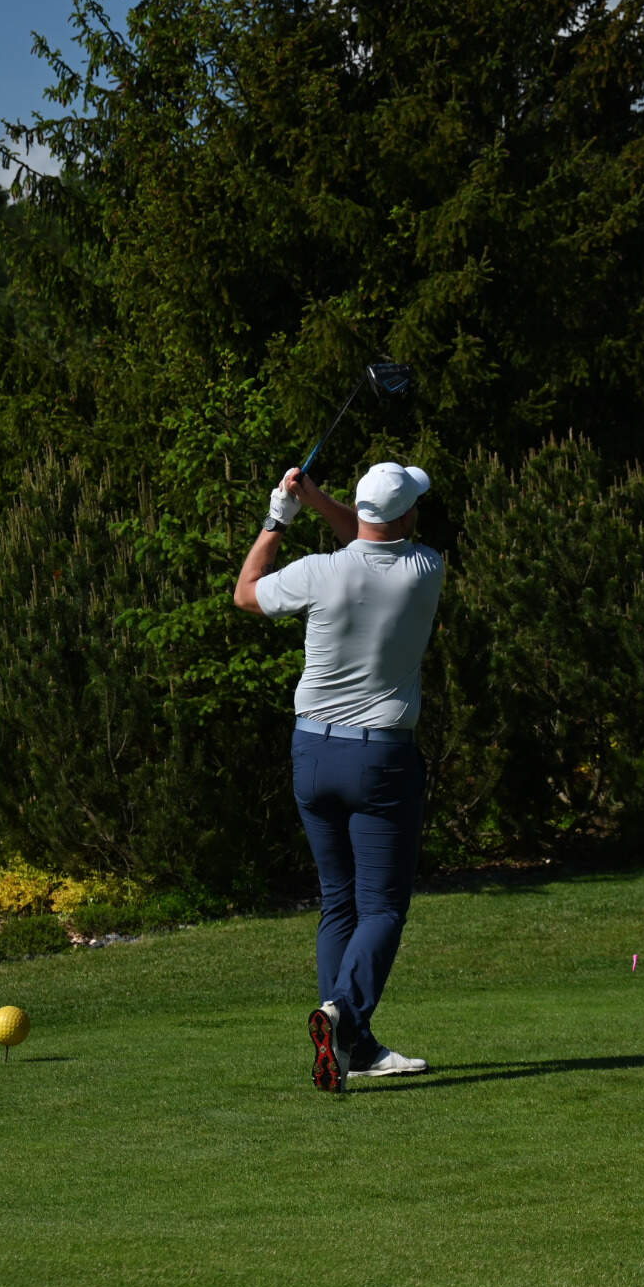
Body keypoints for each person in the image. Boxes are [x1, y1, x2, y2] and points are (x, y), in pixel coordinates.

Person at [232, 459, 445, 1091]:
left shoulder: (318, 571)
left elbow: (247, 592)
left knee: (339, 900)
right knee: (382, 907)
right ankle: (344, 1017)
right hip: (380, 760)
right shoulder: (424, 567)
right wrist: (316, 500)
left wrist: (281, 515)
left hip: (312, 752)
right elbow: (370, 535)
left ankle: (356, 1045)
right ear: (407, 516)